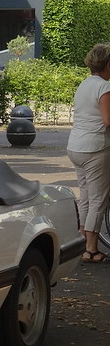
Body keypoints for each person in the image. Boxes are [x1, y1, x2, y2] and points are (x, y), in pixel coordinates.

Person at [67, 43, 110, 263]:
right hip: (95, 148)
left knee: (85, 197)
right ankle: (92, 249)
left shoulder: (84, 84)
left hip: (75, 146)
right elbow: (108, 120)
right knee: (98, 200)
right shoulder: (104, 87)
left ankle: (83, 242)